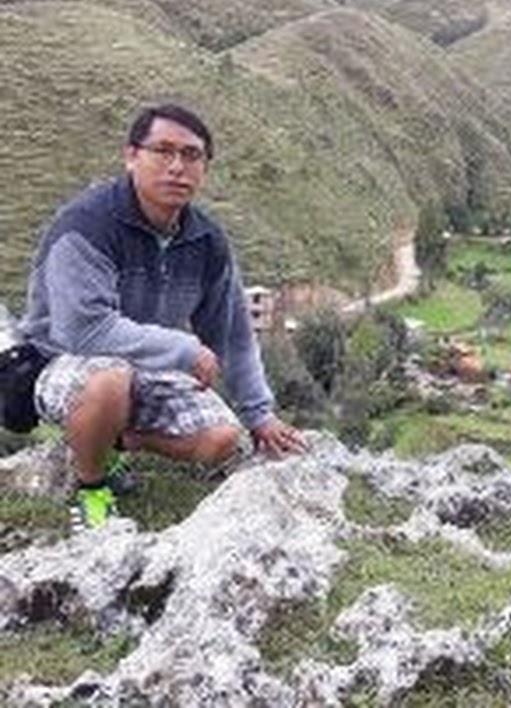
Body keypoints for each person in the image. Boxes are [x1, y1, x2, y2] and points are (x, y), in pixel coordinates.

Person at [19, 103, 306, 530]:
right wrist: (184, 348)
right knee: (110, 381)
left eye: (191, 155)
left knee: (222, 440)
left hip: (146, 367)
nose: (177, 167)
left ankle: (109, 439)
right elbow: (84, 330)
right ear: (131, 156)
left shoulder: (206, 240)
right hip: (61, 361)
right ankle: (92, 488)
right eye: (162, 151)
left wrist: (259, 414)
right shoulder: (86, 225)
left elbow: (233, 334)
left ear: (204, 167)